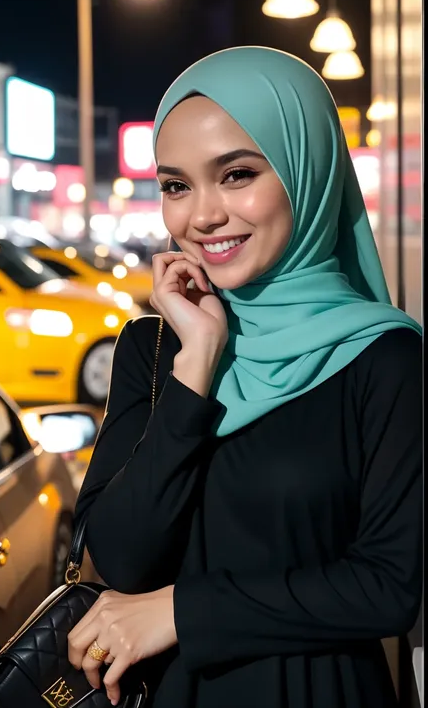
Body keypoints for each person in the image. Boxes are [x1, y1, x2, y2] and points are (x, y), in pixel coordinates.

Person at [68, 47, 422, 708]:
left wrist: (181, 611)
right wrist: (196, 363)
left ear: (306, 170)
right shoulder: (153, 349)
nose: (201, 216)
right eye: (176, 185)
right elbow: (117, 558)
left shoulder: (384, 358)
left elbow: (390, 585)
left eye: (235, 174)